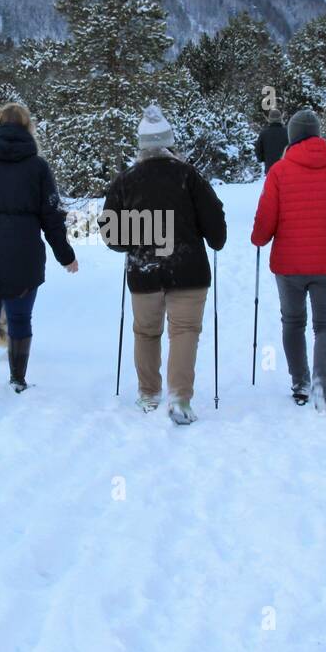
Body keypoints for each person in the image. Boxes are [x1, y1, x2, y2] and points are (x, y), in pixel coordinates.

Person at [103, 104, 227, 424]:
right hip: (188, 269)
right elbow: (215, 222)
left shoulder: (125, 180)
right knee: (184, 331)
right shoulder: (189, 176)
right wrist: (213, 240)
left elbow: (111, 234)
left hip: (144, 271)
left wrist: (134, 240)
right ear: (169, 142)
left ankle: (148, 394)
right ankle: (180, 399)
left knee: (146, 332)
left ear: (141, 145)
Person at [0, 102, 78, 403]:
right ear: (28, 127)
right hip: (22, 257)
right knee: (20, 318)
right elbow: (51, 217)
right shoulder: (38, 167)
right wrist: (66, 255)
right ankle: (18, 380)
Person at [250, 108, 326, 414]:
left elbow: (265, 218)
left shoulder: (279, 171)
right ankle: (320, 381)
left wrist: (259, 239)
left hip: (289, 265)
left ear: (292, 137)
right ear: (317, 134)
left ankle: (300, 381)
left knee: (293, 323)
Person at [254, 108, 288, 173]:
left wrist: (265, 159)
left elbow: (258, 151)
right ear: (280, 119)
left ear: (269, 119)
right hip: (286, 168)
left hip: (270, 168)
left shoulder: (264, 133)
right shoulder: (288, 132)